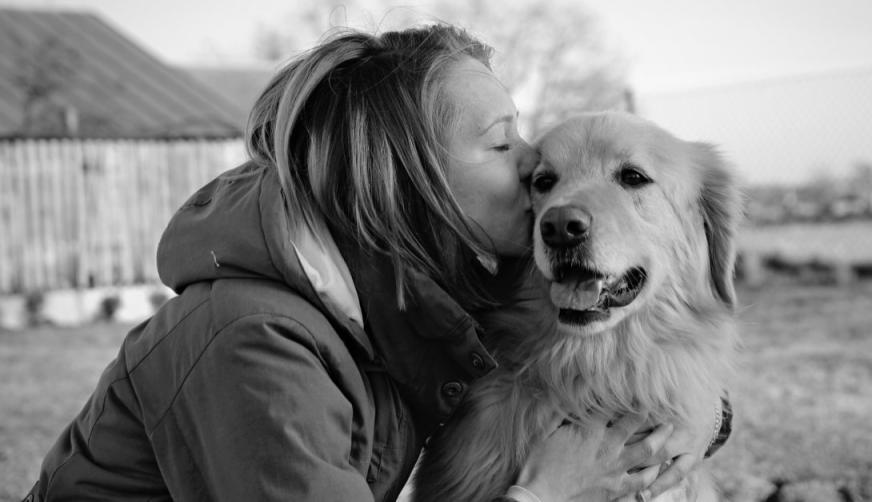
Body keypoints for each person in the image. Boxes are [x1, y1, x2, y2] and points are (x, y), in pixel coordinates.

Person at [25, 24, 729, 502]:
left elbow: (592, 367)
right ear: (405, 178)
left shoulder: (409, 293)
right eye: (501, 143)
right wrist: (543, 492)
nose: (534, 168)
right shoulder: (253, 343)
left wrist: (702, 419)